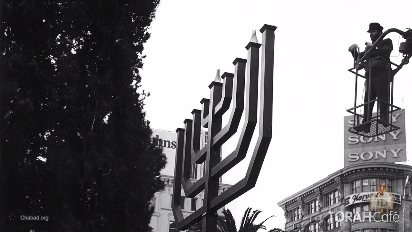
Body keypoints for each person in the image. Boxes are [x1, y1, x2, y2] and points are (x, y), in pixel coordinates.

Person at [348, 22, 393, 133]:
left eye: (373, 32)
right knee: (368, 100)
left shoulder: (386, 41)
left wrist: (372, 49)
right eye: (370, 32)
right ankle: (366, 124)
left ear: (379, 32)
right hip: (370, 74)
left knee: (382, 96)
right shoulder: (369, 47)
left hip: (381, 72)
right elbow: (361, 58)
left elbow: (386, 51)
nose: (371, 34)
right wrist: (355, 54)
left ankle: (384, 118)